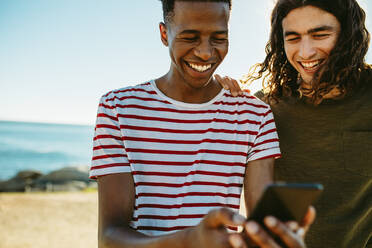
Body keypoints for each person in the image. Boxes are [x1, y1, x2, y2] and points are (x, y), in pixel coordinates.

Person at [89, 0, 315, 247]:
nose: (206, 52)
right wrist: (189, 240)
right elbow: (109, 238)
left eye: (218, 38)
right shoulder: (118, 107)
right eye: (190, 37)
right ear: (164, 34)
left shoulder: (254, 114)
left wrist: (272, 237)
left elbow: (258, 226)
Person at [217, 0, 372, 247]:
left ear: (348, 34)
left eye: (320, 35)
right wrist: (217, 98)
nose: (306, 52)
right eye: (293, 38)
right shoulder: (264, 108)